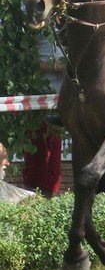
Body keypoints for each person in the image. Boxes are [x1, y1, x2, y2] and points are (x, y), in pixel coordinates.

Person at [22, 34, 64, 197]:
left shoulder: (64, 21)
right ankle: (30, 199)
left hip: (59, 101)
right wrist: (59, 67)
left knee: (53, 156)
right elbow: (27, 62)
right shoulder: (34, 21)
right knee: (36, 155)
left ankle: (50, 202)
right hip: (37, 99)